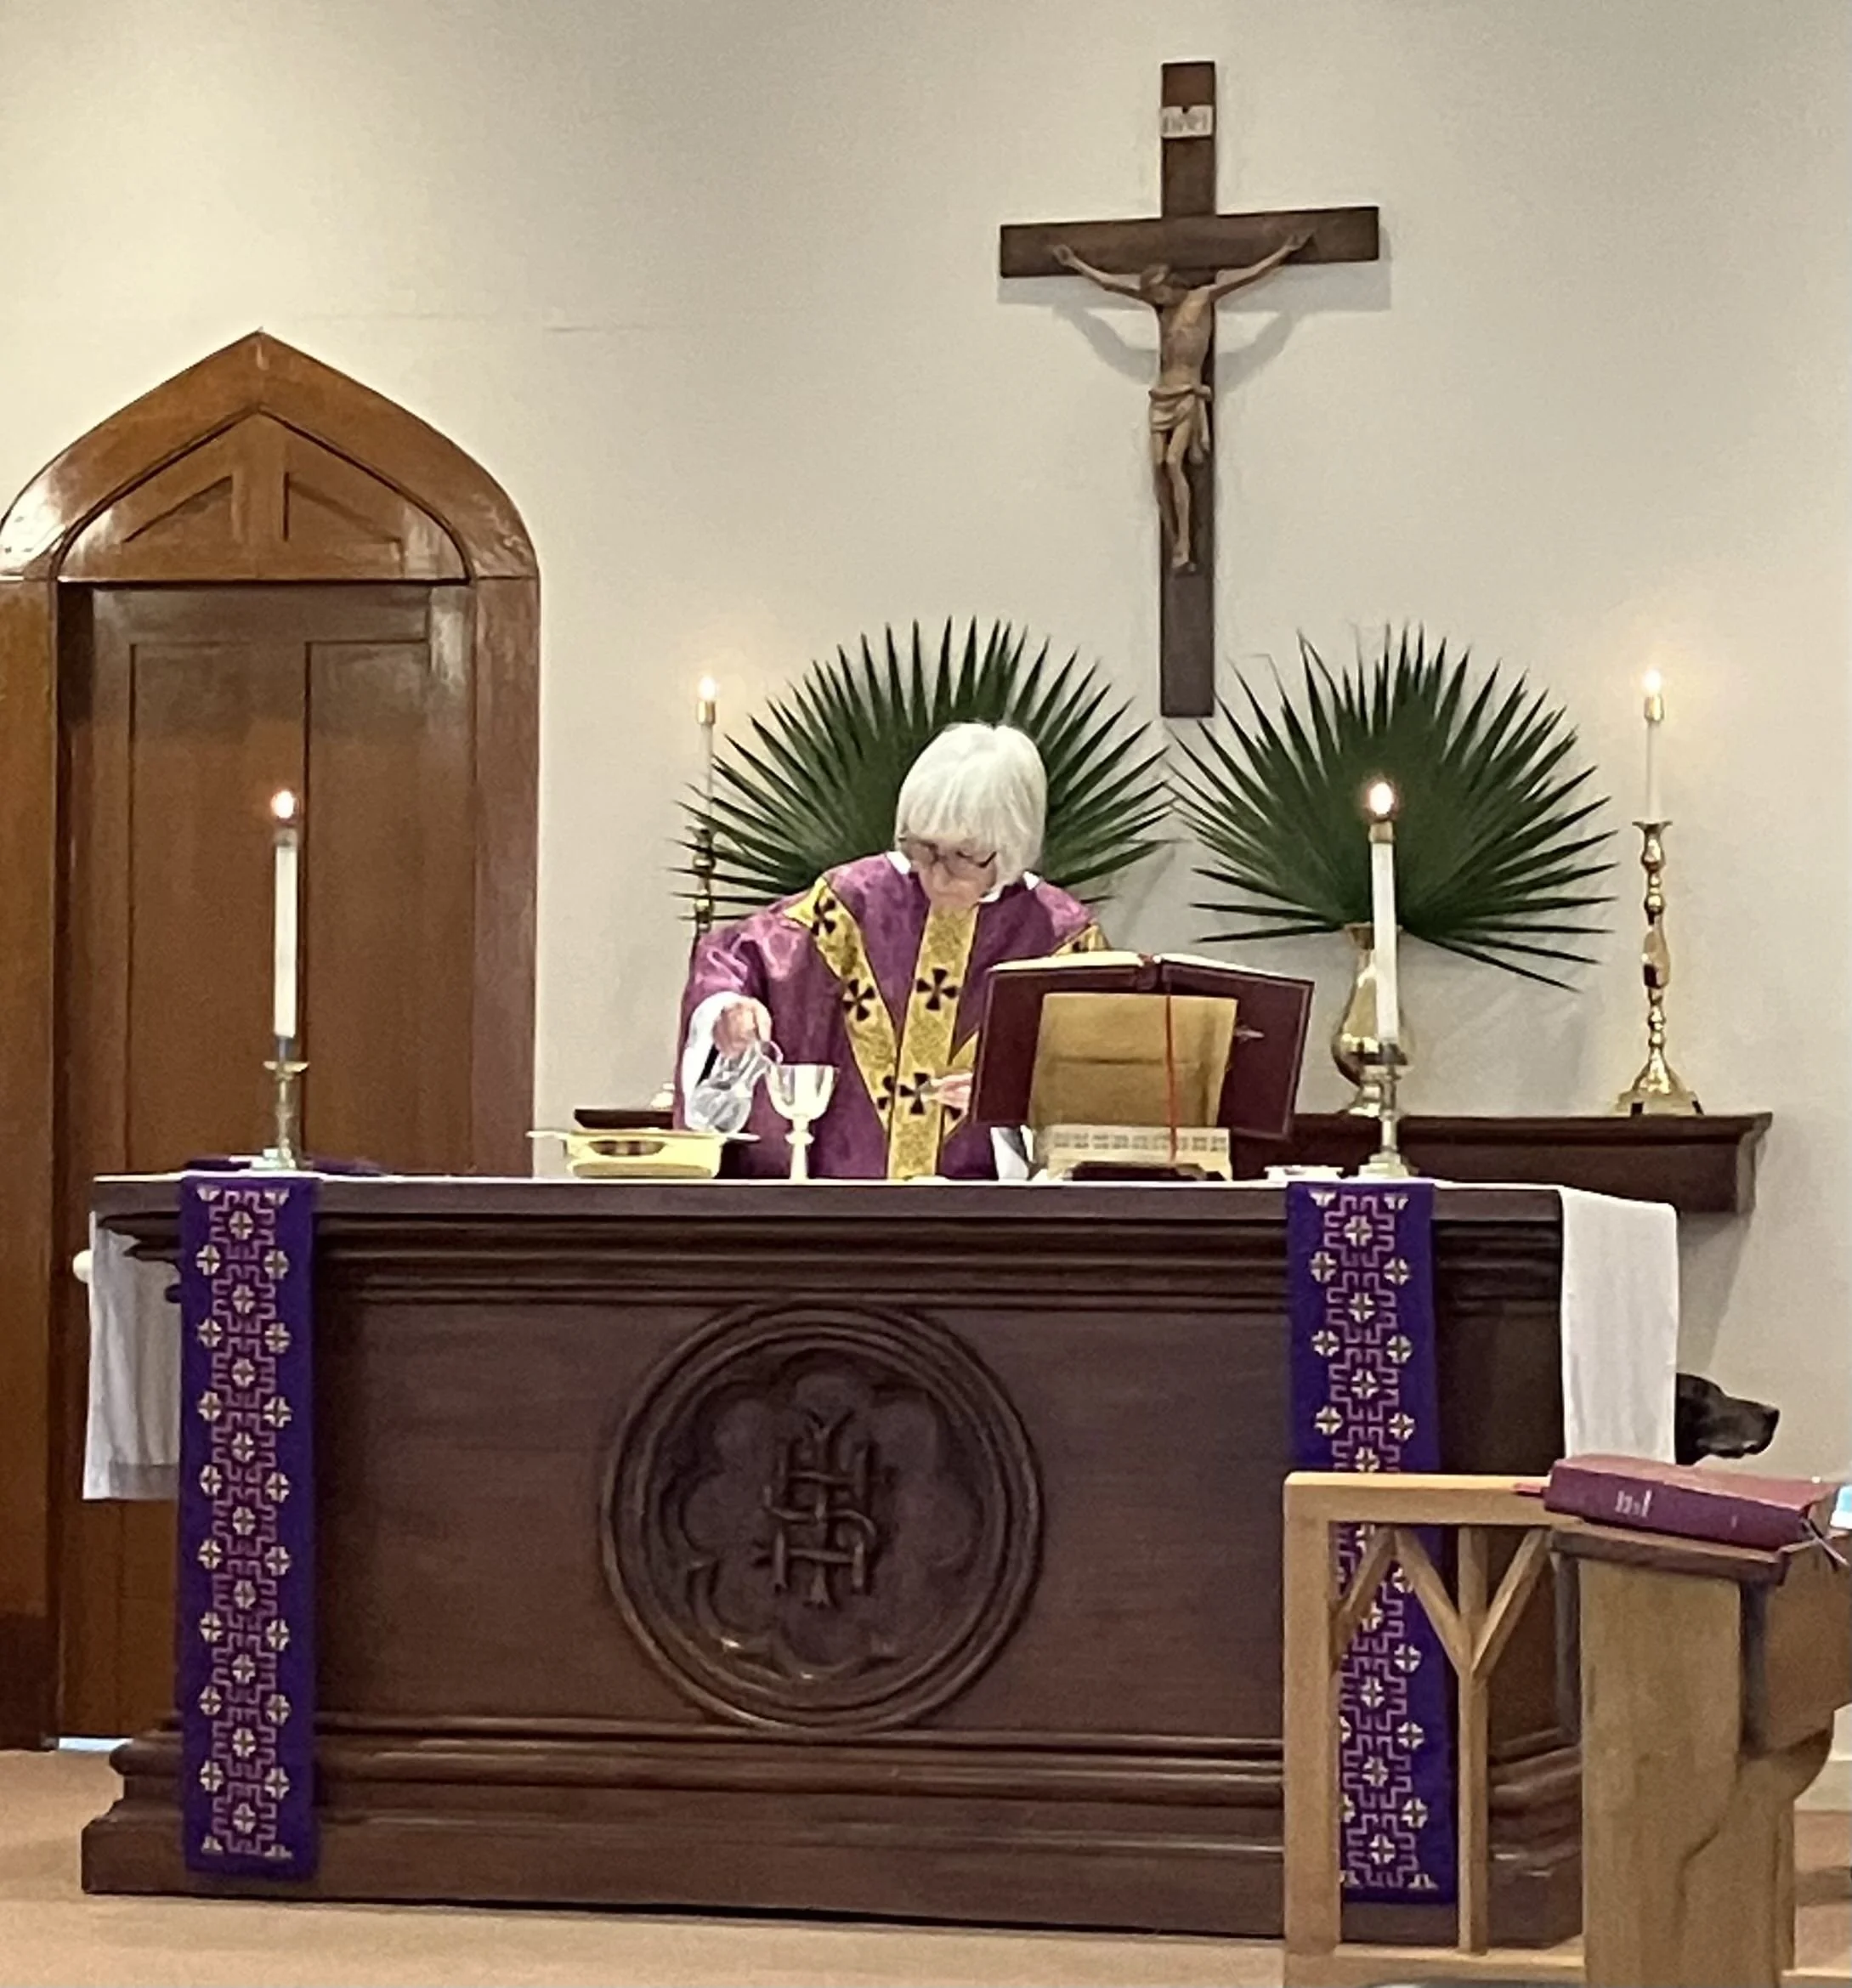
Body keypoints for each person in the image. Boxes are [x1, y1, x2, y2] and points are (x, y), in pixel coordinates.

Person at [677, 722, 1106, 1179]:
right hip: (845, 1212)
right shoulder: (852, 903)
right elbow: (737, 956)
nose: (938, 874)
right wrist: (727, 1009)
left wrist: (1014, 1099)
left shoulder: (1062, 942)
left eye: (964, 856)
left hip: (988, 1223)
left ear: (1013, 845)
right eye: (924, 849)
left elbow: (1101, 1090)